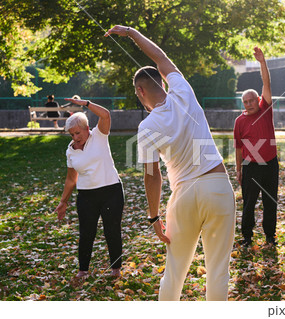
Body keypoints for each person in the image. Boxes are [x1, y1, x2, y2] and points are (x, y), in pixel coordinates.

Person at [105, 25, 235, 301]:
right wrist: (131, 32)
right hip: (217, 187)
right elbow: (161, 57)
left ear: (140, 91)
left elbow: (153, 177)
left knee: (174, 272)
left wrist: (154, 217)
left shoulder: (147, 126)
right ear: (164, 82)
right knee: (218, 272)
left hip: (184, 195)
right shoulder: (183, 92)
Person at [54, 99, 124, 279]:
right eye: (71, 134)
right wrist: (63, 202)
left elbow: (106, 114)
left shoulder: (99, 135)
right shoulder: (70, 150)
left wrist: (85, 103)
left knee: (112, 230)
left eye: (78, 132)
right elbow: (71, 179)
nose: (75, 138)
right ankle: (82, 270)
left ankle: (116, 269)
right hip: (86, 196)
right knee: (86, 232)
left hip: (111, 191)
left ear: (87, 128)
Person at [233, 47, 278, 248]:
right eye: (246, 102)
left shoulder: (265, 109)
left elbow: (266, 83)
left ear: (258, 100)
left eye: (252, 100)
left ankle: (270, 235)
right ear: (242, 103)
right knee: (248, 204)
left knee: (270, 201)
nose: (249, 104)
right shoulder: (239, 121)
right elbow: (238, 148)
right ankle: (247, 237)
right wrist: (238, 169)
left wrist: (262, 62)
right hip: (250, 166)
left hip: (270, 164)